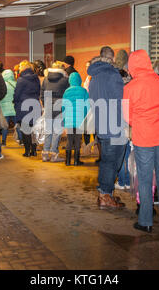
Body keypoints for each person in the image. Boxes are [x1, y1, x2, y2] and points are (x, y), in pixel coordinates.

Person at [124, 50, 159, 232]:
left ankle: (145, 222)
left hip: (144, 137)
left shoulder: (129, 87)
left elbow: (127, 117)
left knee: (145, 179)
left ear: (132, 66)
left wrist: (140, 120)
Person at [88, 46, 126, 209]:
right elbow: (121, 99)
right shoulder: (112, 74)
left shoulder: (94, 77)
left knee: (107, 161)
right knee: (112, 162)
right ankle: (104, 195)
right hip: (114, 124)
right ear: (111, 58)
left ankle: (106, 192)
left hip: (101, 124)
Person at [40, 61, 70, 162]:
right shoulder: (65, 80)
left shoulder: (46, 79)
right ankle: (54, 154)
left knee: (48, 130)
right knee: (57, 131)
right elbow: (67, 95)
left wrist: (45, 105)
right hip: (59, 106)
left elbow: (42, 93)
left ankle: (45, 153)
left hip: (48, 105)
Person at [13, 60, 41, 157]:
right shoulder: (36, 78)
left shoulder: (21, 79)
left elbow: (17, 94)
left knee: (25, 130)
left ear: (23, 67)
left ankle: (27, 151)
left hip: (24, 107)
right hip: (35, 105)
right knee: (33, 129)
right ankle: (34, 151)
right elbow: (38, 92)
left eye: (20, 67)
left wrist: (15, 102)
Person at [62, 72, 89, 166]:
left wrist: (64, 121)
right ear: (79, 80)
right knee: (78, 140)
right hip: (80, 120)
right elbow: (87, 107)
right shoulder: (84, 91)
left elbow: (63, 107)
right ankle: (77, 161)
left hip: (69, 121)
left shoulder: (66, 92)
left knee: (69, 140)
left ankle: (68, 161)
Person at [114, 50, 132, 190]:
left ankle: (122, 181)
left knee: (120, 153)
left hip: (117, 120)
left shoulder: (114, 79)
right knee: (128, 152)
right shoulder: (131, 80)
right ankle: (127, 180)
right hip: (129, 120)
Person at [0, 69, 20, 146]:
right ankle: (21, 140)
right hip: (14, 108)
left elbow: (0, 97)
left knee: (5, 126)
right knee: (17, 125)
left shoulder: (2, 85)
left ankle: (4, 142)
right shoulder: (16, 84)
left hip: (5, 109)